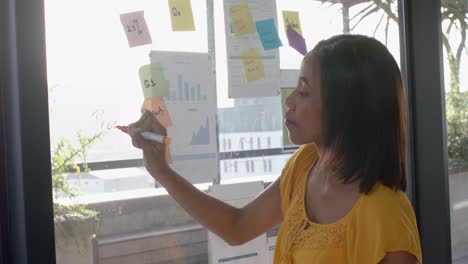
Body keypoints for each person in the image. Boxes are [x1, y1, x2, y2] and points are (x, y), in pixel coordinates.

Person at [128, 34, 422, 264]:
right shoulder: (305, 165)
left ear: (345, 109)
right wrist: (161, 171)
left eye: (304, 91)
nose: (290, 100)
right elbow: (237, 226)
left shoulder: (386, 217)